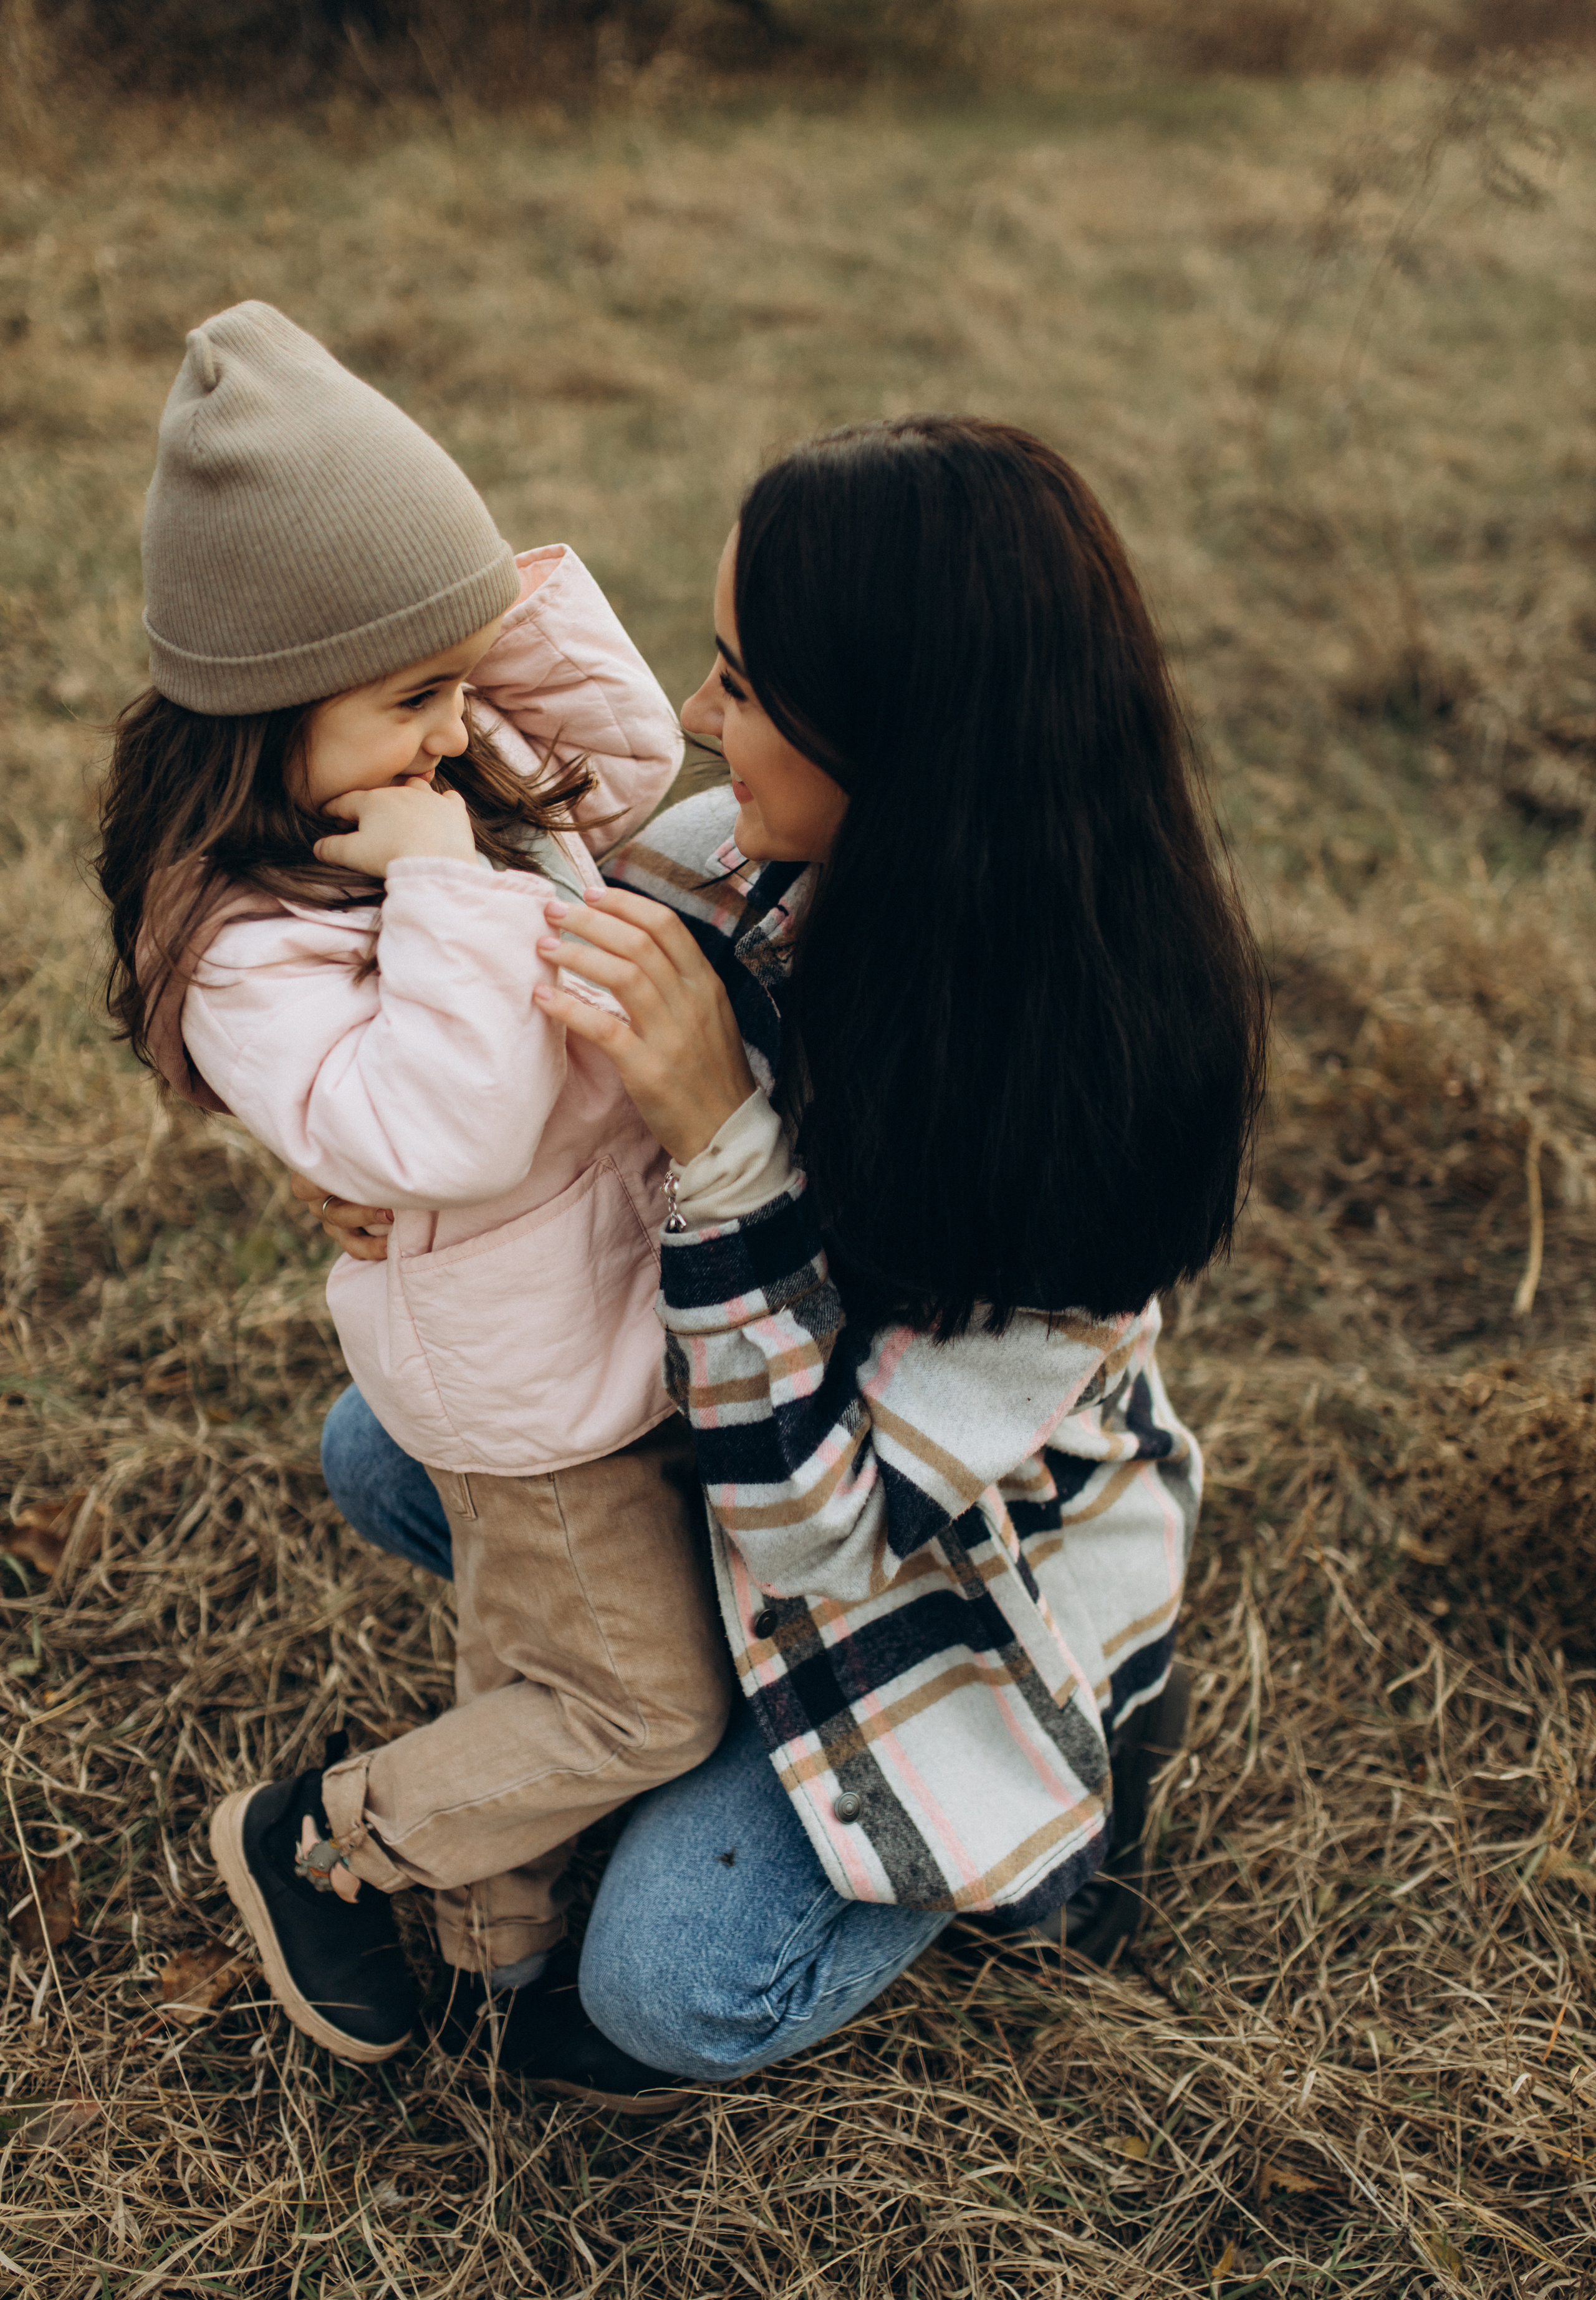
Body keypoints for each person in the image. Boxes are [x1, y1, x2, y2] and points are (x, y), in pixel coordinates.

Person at [307, 414, 1269, 2104]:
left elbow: (827, 1536)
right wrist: (412, 1177)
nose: (696, 716)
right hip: (732, 1467)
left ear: (900, 736)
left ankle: (1066, 1777)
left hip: (943, 1571)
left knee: (667, 1986)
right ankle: (685, 1719)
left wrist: (722, 1141)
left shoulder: (1089, 1095)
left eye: (744, 685)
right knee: (384, 1445)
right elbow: (521, 1047)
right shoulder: (737, 870)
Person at [96, 300, 733, 2086]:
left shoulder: (434, 794)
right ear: (262, 708)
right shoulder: (249, 945)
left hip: (604, 1321)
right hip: (528, 1389)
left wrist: (460, 616)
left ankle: (490, 1965)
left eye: (462, 684)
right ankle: (330, 1838)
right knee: (638, 1702)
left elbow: (626, 762)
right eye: (412, 699)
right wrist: (450, 882)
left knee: (541, 1660)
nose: (457, 733)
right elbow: (449, 1134)